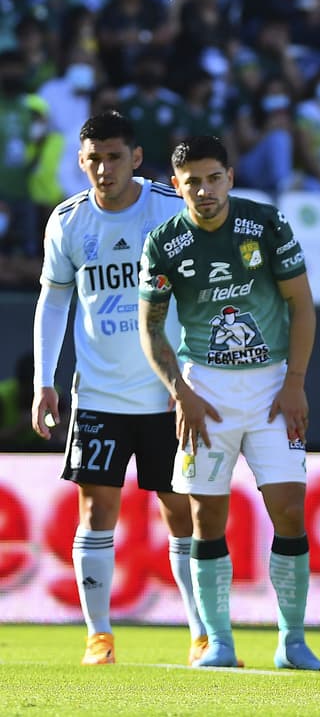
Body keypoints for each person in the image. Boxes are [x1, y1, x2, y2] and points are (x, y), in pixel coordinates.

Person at [137, 135, 320, 670]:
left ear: (230, 178)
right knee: (206, 516)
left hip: (271, 387)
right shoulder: (164, 242)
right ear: (177, 186)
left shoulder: (265, 224)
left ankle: (292, 642)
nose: (204, 190)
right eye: (192, 182)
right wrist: (181, 392)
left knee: (289, 510)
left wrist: (295, 381)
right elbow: (151, 327)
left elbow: (302, 305)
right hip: (206, 390)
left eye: (213, 178)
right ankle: (219, 642)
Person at [31, 112, 206, 665]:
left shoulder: (169, 209)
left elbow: (200, 290)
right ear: (81, 162)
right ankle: (99, 635)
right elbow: (54, 300)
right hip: (99, 393)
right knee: (96, 506)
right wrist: (43, 382)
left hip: (166, 393)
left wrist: (192, 375)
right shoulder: (68, 221)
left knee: (180, 508)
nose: (103, 169)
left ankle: (202, 633)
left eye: (113, 157)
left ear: (136, 158)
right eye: (93, 159)